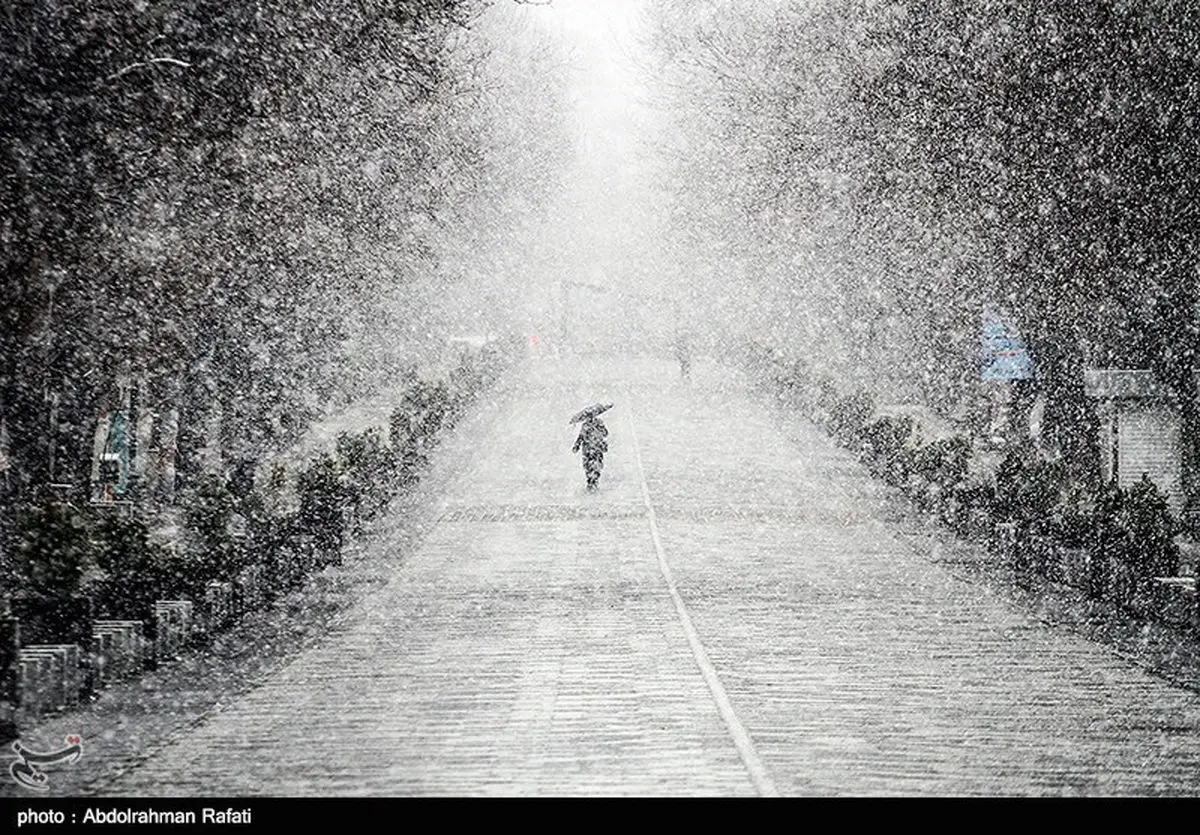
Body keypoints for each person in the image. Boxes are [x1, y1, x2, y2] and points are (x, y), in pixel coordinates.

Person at [572, 414, 608, 490]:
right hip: (588, 449)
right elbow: (581, 437)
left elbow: (605, 433)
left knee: (596, 465)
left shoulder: (599, 423)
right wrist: (577, 445)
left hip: (596, 448)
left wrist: (600, 427)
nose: (589, 418)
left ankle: (594, 481)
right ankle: (590, 481)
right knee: (588, 466)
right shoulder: (585, 425)